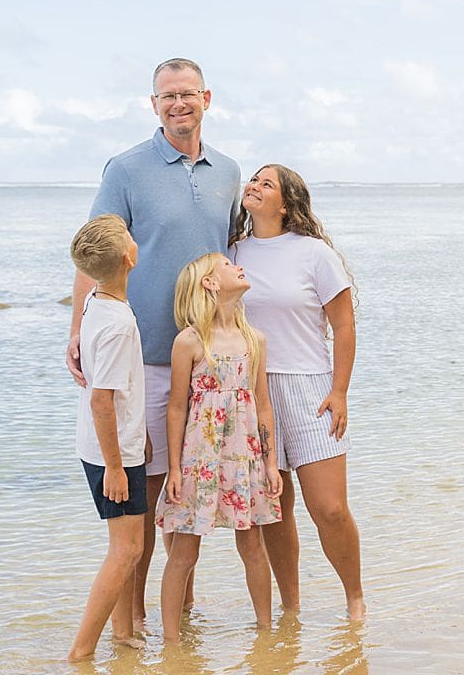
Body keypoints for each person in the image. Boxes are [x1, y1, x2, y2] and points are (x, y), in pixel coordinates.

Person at [66, 58, 242, 623]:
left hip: (206, 361)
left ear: (207, 98)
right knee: (140, 500)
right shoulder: (126, 168)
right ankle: (132, 624)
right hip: (142, 362)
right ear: (153, 104)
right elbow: (95, 249)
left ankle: (177, 620)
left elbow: (233, 256)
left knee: (183, 503)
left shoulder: (229, 172)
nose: (177, 104)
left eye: (187, 94)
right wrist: (76, 329)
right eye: (167, 96)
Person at [230, 164, 364, 620]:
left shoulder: (314, 255)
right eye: (253, 180)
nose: (253, 186)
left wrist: (340, 390)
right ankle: (291, 608)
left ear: (286, 204)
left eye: (266, 183)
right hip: (250, 389)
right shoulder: (232, 252)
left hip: (310, 388)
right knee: (275, 508)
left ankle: (355, 599)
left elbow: (344, 325)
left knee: (328, 507)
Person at [156, 252, 284, 638]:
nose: (238, 266)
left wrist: (271, 462)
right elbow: (176, 407)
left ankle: (266, 633)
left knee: (252, 544)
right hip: (201, 458)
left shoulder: (253, 339)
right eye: (227, 266)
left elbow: (263, 404)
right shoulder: (190, 341)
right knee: (184, 551)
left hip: (245, 457)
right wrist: (175, 469)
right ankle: (171, 643)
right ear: (210, 283)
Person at [67, 214, 147, 661]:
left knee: (123, 549)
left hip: (106, 445)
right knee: (126, 550)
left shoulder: (96, 303)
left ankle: (121, 634)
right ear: (129, 258)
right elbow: (102, 401)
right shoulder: (117, 324)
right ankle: (80, 652)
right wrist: (116, 467)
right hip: (112, 453)